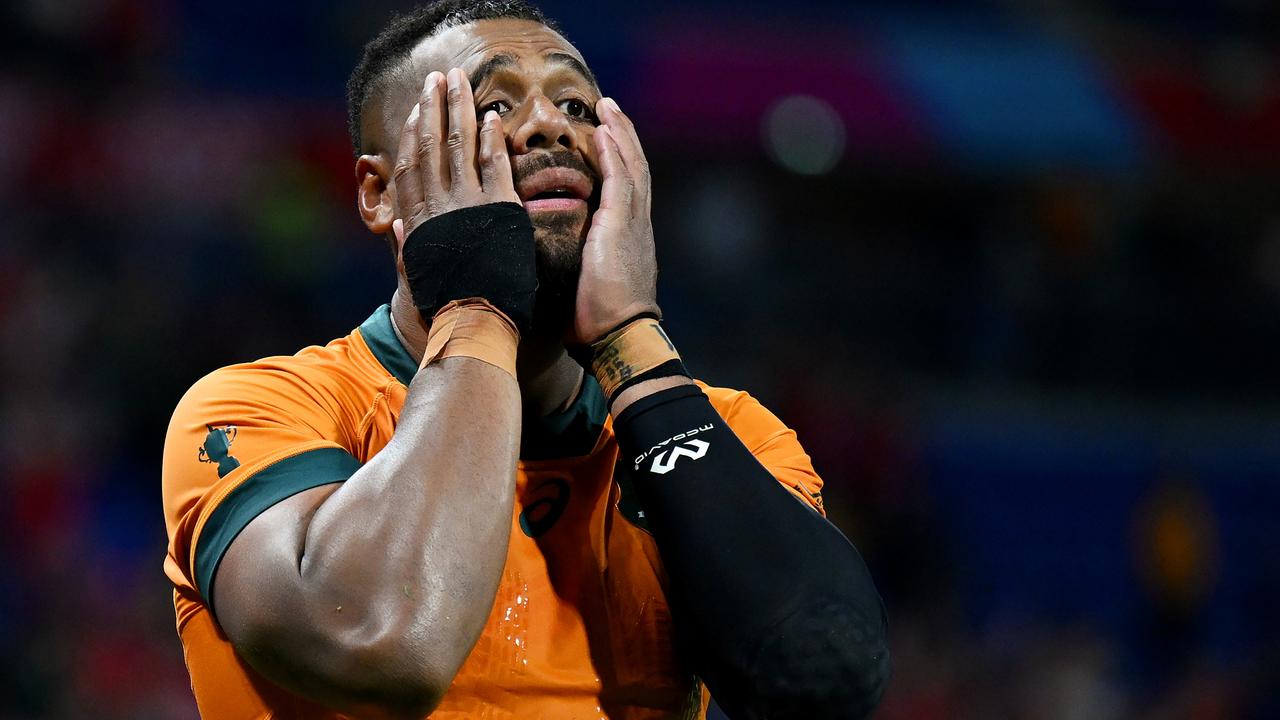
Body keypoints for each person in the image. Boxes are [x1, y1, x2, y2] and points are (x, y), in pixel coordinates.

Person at [160, 1, 890, 717]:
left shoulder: (726, 431)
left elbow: (822, 682)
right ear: (382, 193)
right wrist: (476, 305)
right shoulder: (261, 412)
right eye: (491, 105)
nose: (548, 124)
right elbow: (382, 642)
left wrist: (631, 340)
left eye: (576, 105)